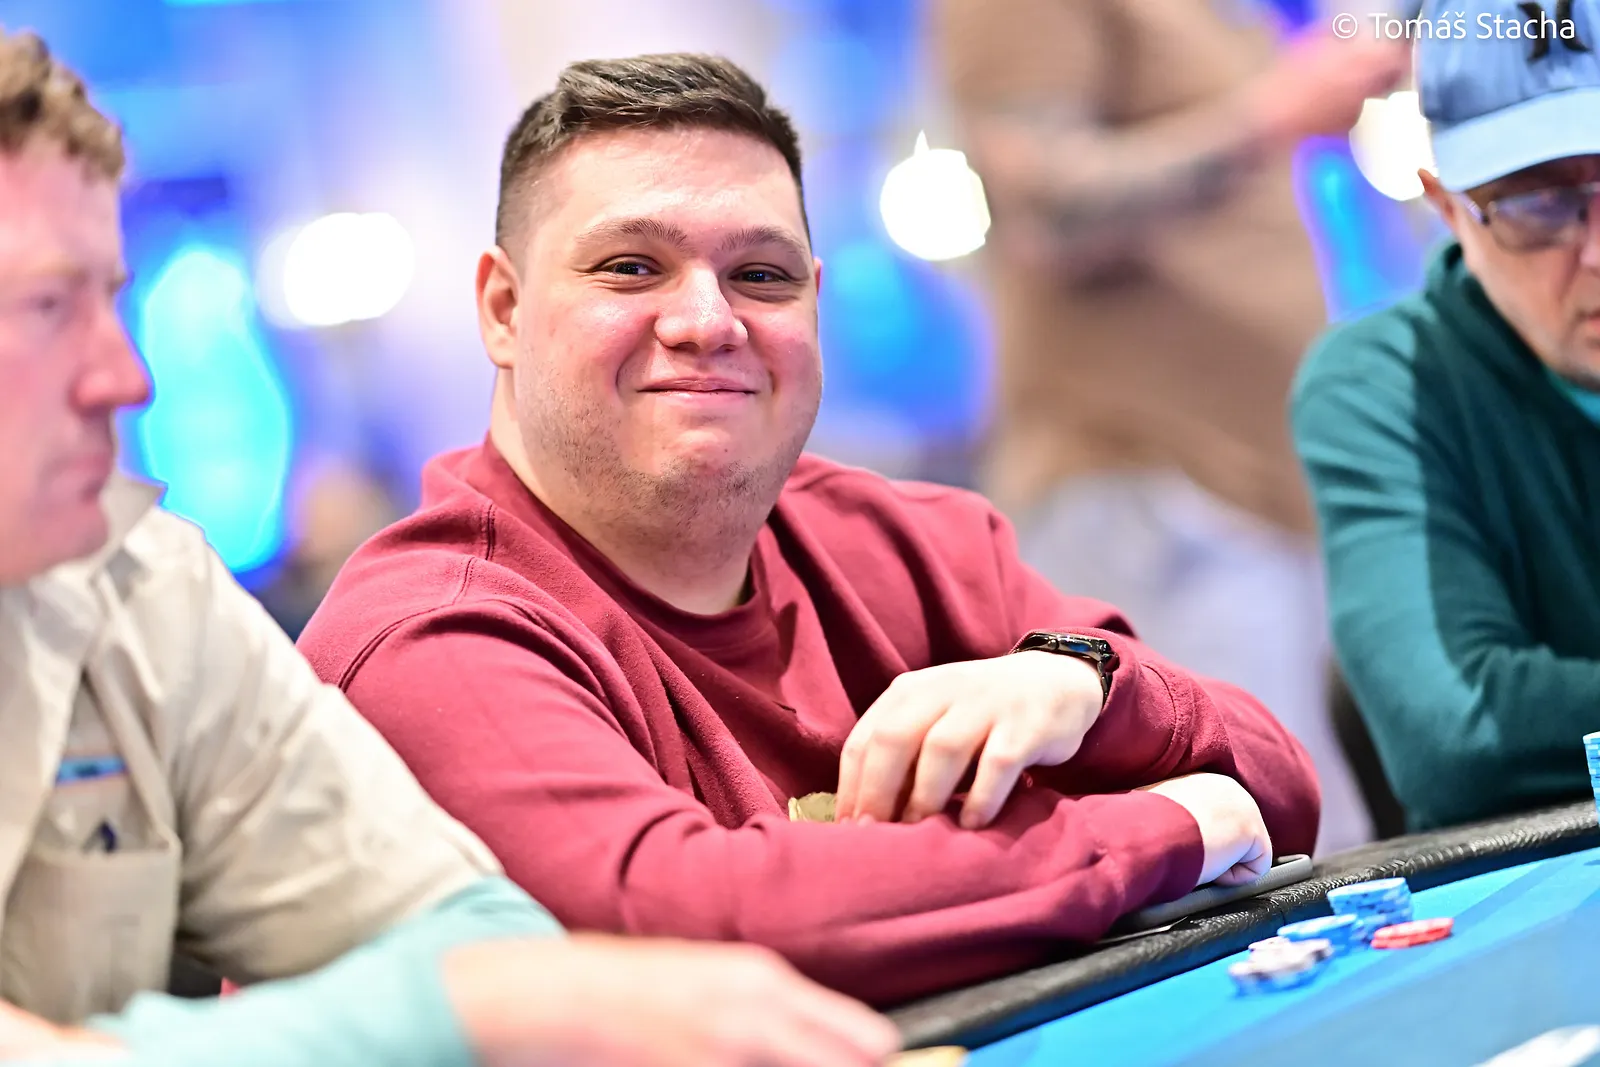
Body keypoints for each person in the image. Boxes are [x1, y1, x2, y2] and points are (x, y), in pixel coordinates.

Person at [298, 52, 1322, 1008]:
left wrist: (1086, 684)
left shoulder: (908, 538)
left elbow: (1275, 777)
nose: (708, 321)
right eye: (630, 266)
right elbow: (692, 923)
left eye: (761, 275)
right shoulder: (429, 634)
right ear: (503, 308)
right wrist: (1172, 826)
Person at [0, 27, 898, 1067]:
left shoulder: (143, 589)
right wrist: (469, 1011)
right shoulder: (433, 625)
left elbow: (479, 944)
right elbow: (533, 985)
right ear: (503, 310)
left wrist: (1054, 677)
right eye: (46, 305)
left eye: (109, 299)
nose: (127, 378)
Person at [929, 0, 1411, 855]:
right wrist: (1276, 112)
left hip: (1258, 489)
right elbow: (1044, 210)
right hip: (1147, 484)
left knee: (1319, 836)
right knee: (1277, 847)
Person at [1292, 0, 1600, 832]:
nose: (1597, 252)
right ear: (1447, 206)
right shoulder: (1384, 385)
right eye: (1540, 203)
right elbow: (1455, 730)